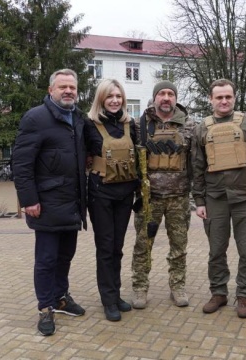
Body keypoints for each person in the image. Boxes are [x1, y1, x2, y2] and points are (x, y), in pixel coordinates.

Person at [12, 68, 88, 336]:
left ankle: (60, 297)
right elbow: (21, 164)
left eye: (72, 87)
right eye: (62, 87)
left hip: (72, 203)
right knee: (46, 259)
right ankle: (45, 308)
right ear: (51, 90)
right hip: (46, 203)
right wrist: (29, 200)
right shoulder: (36, 118)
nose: (68, 91)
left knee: (66, 256)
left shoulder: (77, 118)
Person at [191, 79, 246, 318]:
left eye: (228, 97)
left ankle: (244, 294)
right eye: (219, 97)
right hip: (215, 198)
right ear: (211, 99)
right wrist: (200, 201)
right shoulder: (201, 128)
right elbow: (196, 166)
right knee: (216, 250)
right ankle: (219, 292)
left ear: (234, 98)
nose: (224, 101)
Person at [131, 81, 194, 309]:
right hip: (150, 200)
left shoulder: (189, 126)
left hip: (179, 198)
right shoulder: (139, 126)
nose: (166, 98)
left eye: (170, 94)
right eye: (161, 94)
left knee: (179, 246)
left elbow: (196, 161)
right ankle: (140, 288)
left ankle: (177, 287)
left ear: (175, 98)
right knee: (142, 245)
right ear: (155, 97)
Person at [85, 79, 139, 322]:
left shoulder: (130, 125)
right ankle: (108, 299)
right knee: (105, 248)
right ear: (101, 100)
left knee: (117, 247)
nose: (115, 100)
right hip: (100, 194)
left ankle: (115, 294)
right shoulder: (90, 125)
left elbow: (138, 159)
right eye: (109, 97)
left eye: (118, 96)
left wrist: (139, 192)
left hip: (125, 194)